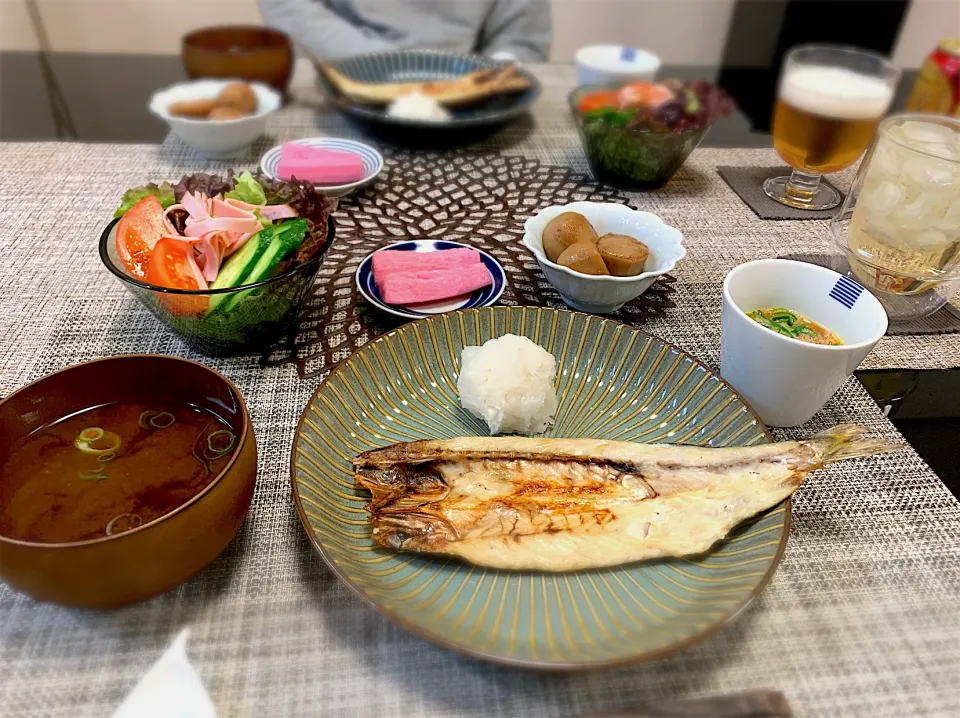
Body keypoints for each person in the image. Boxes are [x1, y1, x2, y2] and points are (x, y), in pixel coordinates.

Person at [258, 0, 552, 62]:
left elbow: (520, 38)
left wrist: (486, 83)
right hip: (342, 70)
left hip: (468, 79)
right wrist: (379, 65)